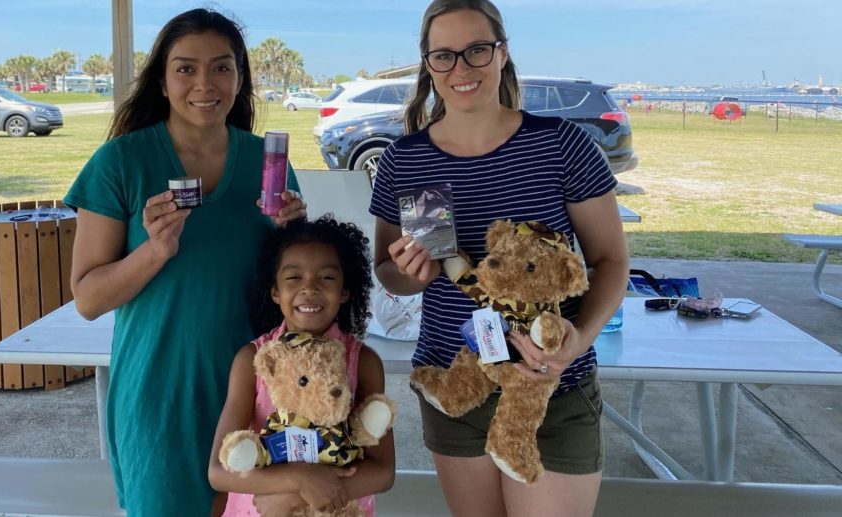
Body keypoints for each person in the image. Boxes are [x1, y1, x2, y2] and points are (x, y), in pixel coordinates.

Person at [368, 1, 629, 516]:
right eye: (444, 55)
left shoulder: (561, 145)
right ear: (427, 65)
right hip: (453, 385)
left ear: (503, 54)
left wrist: (578, 341)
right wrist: (410, 274)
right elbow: (388, 271)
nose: (461, 69)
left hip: (552, 385)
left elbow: (611, 260)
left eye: (477, 50)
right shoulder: (405, 158)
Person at [63, 8, 306, 517]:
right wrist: (154, 251)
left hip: (262, 394)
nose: (205, 83)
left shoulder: (269, 166)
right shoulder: (121, 163)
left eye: (221, 67)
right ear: (162, 79)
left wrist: (296, 241)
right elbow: (87, 299)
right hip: (161, 397)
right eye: (185, 68)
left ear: (240, 78)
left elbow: (295, 294)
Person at [209, 216, 395, 516]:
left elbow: (383, 471)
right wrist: (297, 481)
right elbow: (218, 470)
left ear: (346, 291)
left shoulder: (363, 362)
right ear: (275, 291)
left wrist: (296, 497)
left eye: (327, 277)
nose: (310, 288)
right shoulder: (252, 360)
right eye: (294, 278)